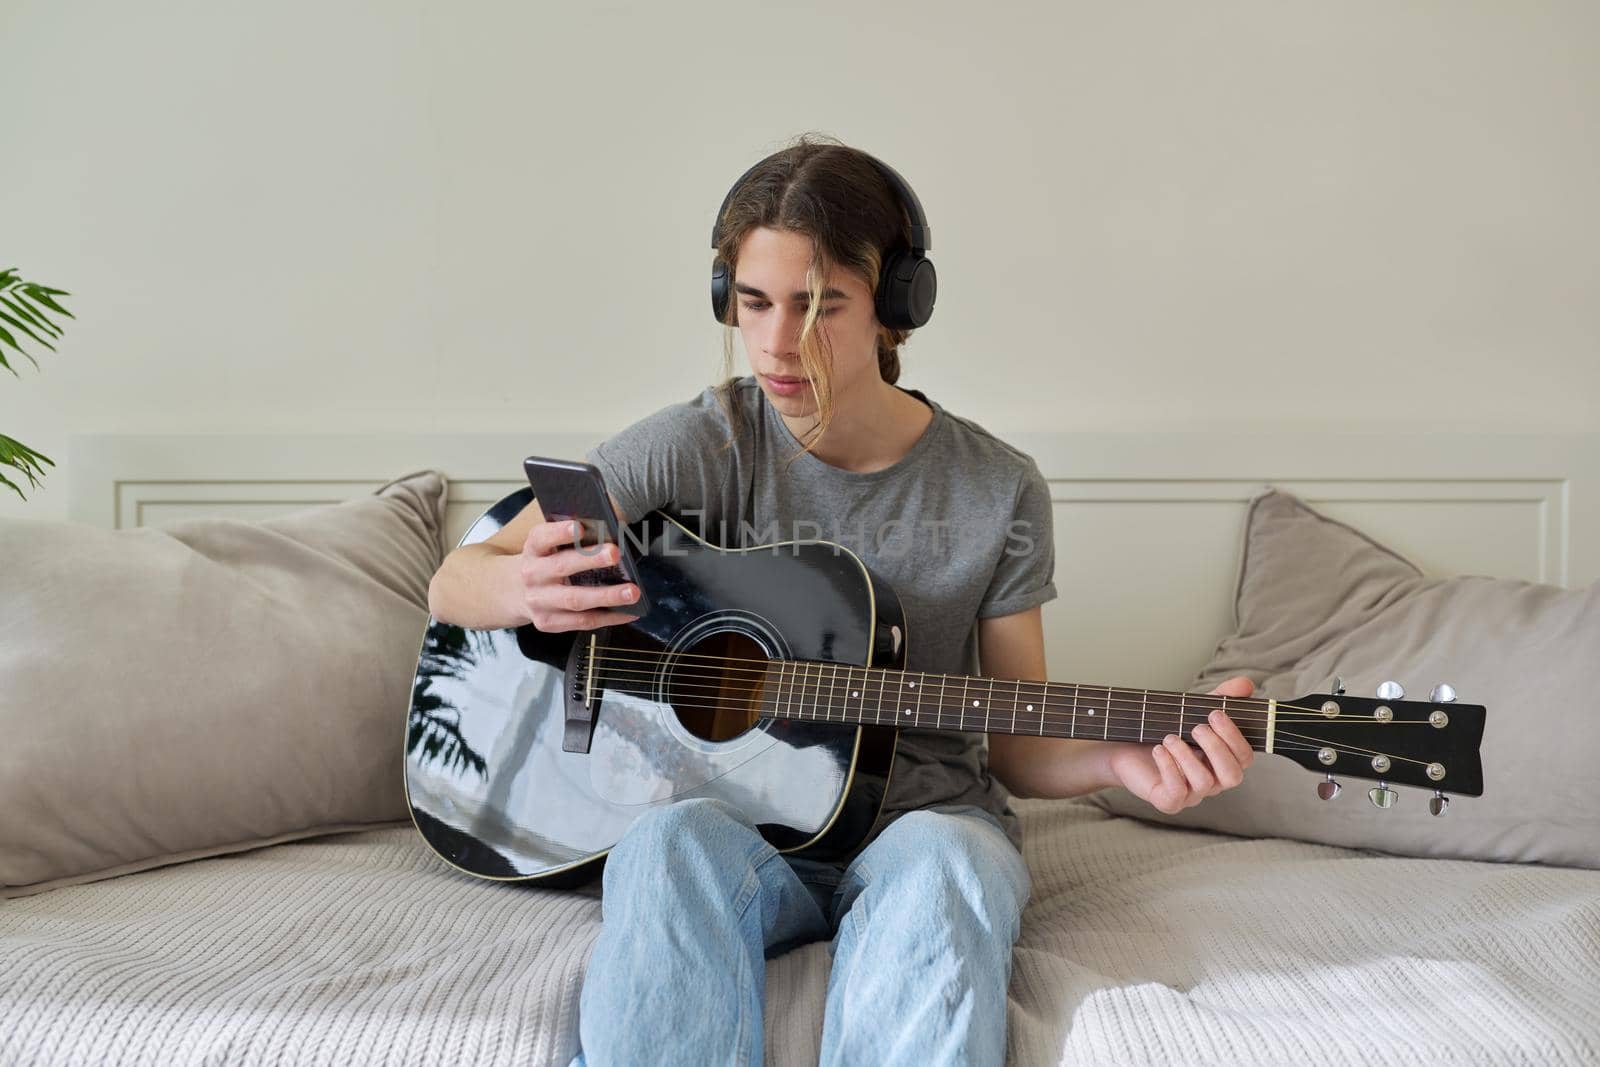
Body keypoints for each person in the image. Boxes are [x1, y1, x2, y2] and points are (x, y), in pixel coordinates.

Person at [425, 132, 1258, 1066]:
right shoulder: (707, 441)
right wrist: (519, 583)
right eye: (753, 304)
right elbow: (454, 581)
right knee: (661, 846)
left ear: (896, 309)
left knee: (951, 862)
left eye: (819, 306)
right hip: (737, 830)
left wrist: (1124, 765)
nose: (778, 343)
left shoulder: (997, 488)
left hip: (923, 829)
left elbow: (1021, 753)